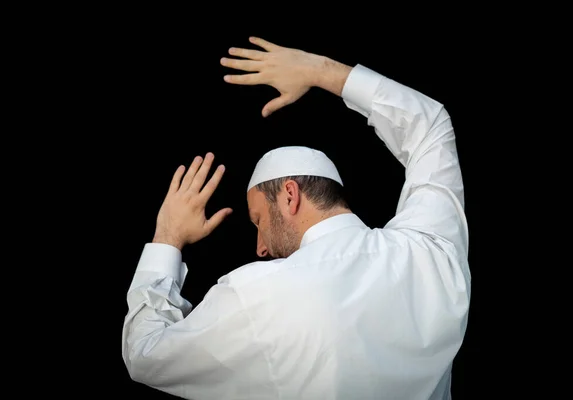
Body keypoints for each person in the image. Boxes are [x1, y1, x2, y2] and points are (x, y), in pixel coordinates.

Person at [122, 37, 471, 400]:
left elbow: (146, 354)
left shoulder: (258, 295)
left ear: (290, 196)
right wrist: (319, 70)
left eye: (258, 220)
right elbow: (430, 127)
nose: (260, 247)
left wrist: (168, 237)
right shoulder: (431, 250)